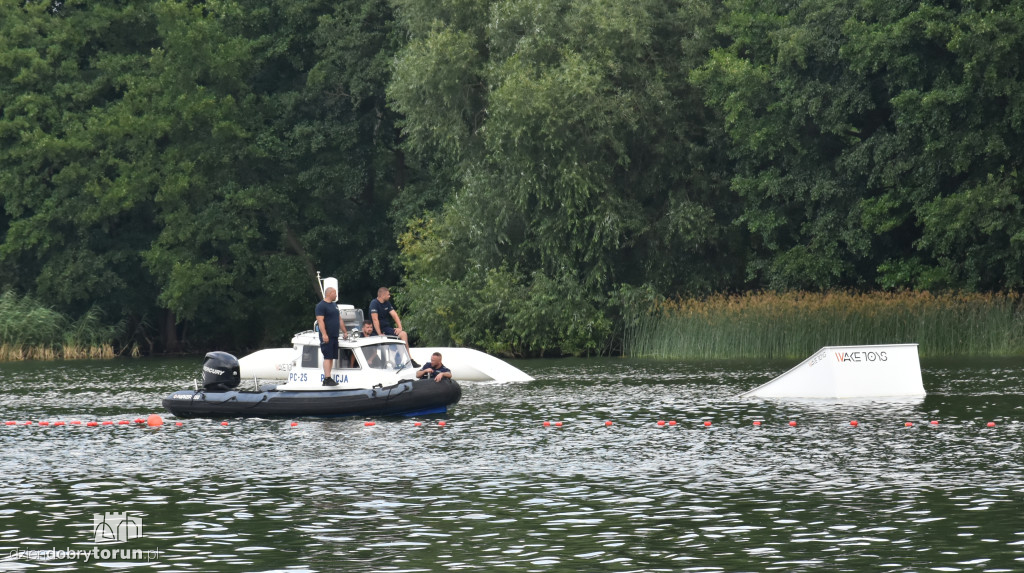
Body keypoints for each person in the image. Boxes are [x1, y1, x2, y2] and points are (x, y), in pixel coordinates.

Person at [369, 286, 417, 365]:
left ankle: (409, 359)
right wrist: (379, 333)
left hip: (386, 328)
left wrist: (400, 328)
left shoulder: (387, 303)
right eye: (388, 295)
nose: (389, 296)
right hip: (375, 329)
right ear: (383, 295)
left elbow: (394, 315)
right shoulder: (374, 303)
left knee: (403, 334)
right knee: (382, 339)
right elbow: (375, 320)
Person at [315, 287, 343, 386]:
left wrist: (344, 332)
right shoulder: (321, 306)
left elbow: (339, 319)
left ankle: (329, 377)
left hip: (335, 335)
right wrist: (324, 334)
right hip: (327, 335)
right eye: (335, 293)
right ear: (330, 293)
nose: (336, 295)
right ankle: (326, 378)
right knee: (327, 356)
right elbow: (320, 321)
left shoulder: (334, 305)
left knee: (331, 356)